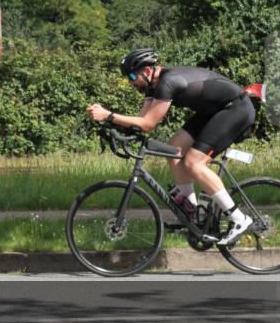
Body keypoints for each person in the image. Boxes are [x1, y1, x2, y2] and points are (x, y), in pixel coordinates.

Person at [86, 48, 257, 245]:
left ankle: (239, 219)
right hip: (212, 111)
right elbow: (140, 122)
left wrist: (108, 115)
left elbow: (148, 123)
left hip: (235, 109)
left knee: (194, 163)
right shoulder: (153, 87)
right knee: (174, 149)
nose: (131, 82)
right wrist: (112, 125)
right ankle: (193, 213)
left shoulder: (168, 82)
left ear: (147, 71)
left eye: (132, 76)